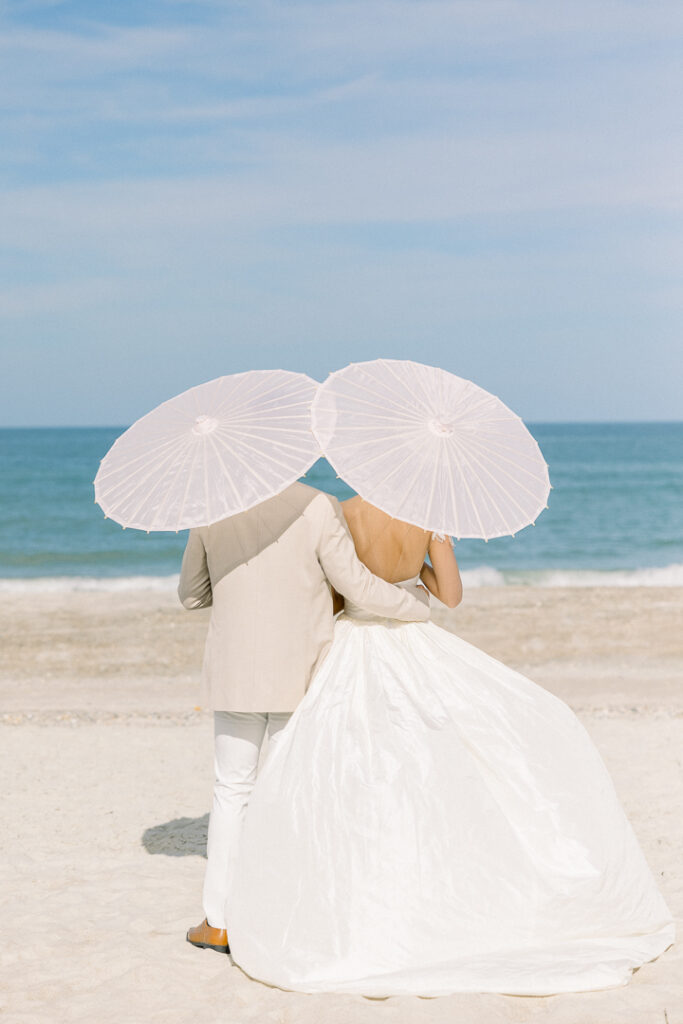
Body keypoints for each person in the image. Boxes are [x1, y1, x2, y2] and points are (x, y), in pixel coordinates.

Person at [226, 499, 675, 996]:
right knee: (429, 758)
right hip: (412, 638)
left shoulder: (338, 511)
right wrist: (415, 568)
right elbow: (451, 596)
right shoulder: (428, 516)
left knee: (355, 762)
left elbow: (335, 592)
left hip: (355, 641)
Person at [177, 482, 431, 954]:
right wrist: (413, 607)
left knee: (232, 790)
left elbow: (191, 596)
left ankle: (219, 922)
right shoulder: (317, 504)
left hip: (235, 670)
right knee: (292, 789)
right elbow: (353, 583)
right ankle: (283, 916)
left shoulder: (212, 504)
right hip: (302, 670)